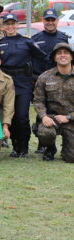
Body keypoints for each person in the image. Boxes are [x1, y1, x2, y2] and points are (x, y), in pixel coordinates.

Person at [0, 12, 46, 157]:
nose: (10, 26)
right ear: (3, 26)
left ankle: (23, 146)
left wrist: (37, 75)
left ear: (17, 25)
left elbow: (43, 57)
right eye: (7, 24)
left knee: (22, 115)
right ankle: (15, 146)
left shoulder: (27, 42)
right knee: (12, 115)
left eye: (13, 23)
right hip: (6, 82)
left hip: (23, 81)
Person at [30, 9, 69, 153]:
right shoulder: (35, 38)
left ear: (57, 21)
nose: (50, 22)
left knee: (54, 109)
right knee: (41, 110)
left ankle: (60, 140)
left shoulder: (63, 38)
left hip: (58, 79)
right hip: (39, 79)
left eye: (53, 20)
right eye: (47, 20)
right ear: (43, 21)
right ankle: (42, 144)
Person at [33, 42, 74, 163]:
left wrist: (69, 117)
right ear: (54, 57)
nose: (62, 55)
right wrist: (44, 116)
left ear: (72, 56)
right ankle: (50, 148)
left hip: (71, 119)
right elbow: (38, 100)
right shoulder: (45, 77)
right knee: (44, 132)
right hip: (53, 119)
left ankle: (67, 149)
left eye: (66, 53)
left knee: (71, 158)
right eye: (59, 53)